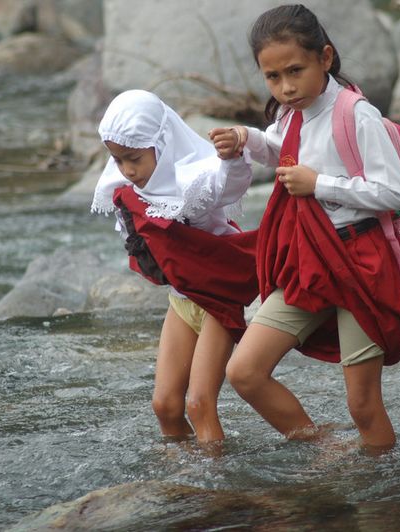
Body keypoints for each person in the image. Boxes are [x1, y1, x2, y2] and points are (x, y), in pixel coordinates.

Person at [209, 4, 400, 452]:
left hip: (360, 262)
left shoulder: (356, 114)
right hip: (310, 262)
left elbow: (396, 192)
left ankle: (390, 499)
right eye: (272, 77)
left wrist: (320, 185)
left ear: (325, 56)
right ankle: (324, 449)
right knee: (244, 372)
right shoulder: (288, 113)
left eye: (295, 71)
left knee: (362, 407)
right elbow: (282, 150)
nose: (285, 87)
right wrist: (248, 139)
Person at [92, 89, 258, 447]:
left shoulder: (193, 179)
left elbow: (225, 185)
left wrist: (231, 159)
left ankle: (215, 489)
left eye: (133, 158)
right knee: (165, 405)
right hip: (181, 300)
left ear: (162, 143)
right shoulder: (128, 188)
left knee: (199, 404)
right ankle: (181, 478)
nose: (127, 170)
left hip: (217, 298)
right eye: (118, 160)